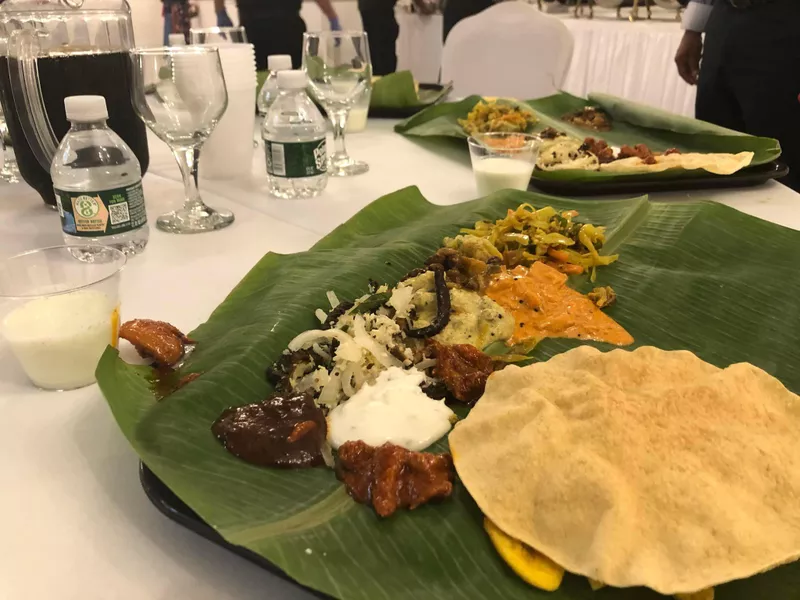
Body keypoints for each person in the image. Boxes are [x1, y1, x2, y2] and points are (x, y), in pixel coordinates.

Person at [675, 0, 800, 191]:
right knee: (716, 152)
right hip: (723, 18)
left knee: (783, 158)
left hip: (787, 22)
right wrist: (693, 28)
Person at [215, 0, 341, 71]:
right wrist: (220, 12)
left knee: (292, 78)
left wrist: (332, 18)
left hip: (288, 27)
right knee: (255, 76)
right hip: (253, 27)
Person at [358, 0, 435, 77]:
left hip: (369, 7)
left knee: (374, 52)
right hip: (379, 9)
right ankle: (383, 81)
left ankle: (377, 80)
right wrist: (422, 5)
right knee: (383, 57)